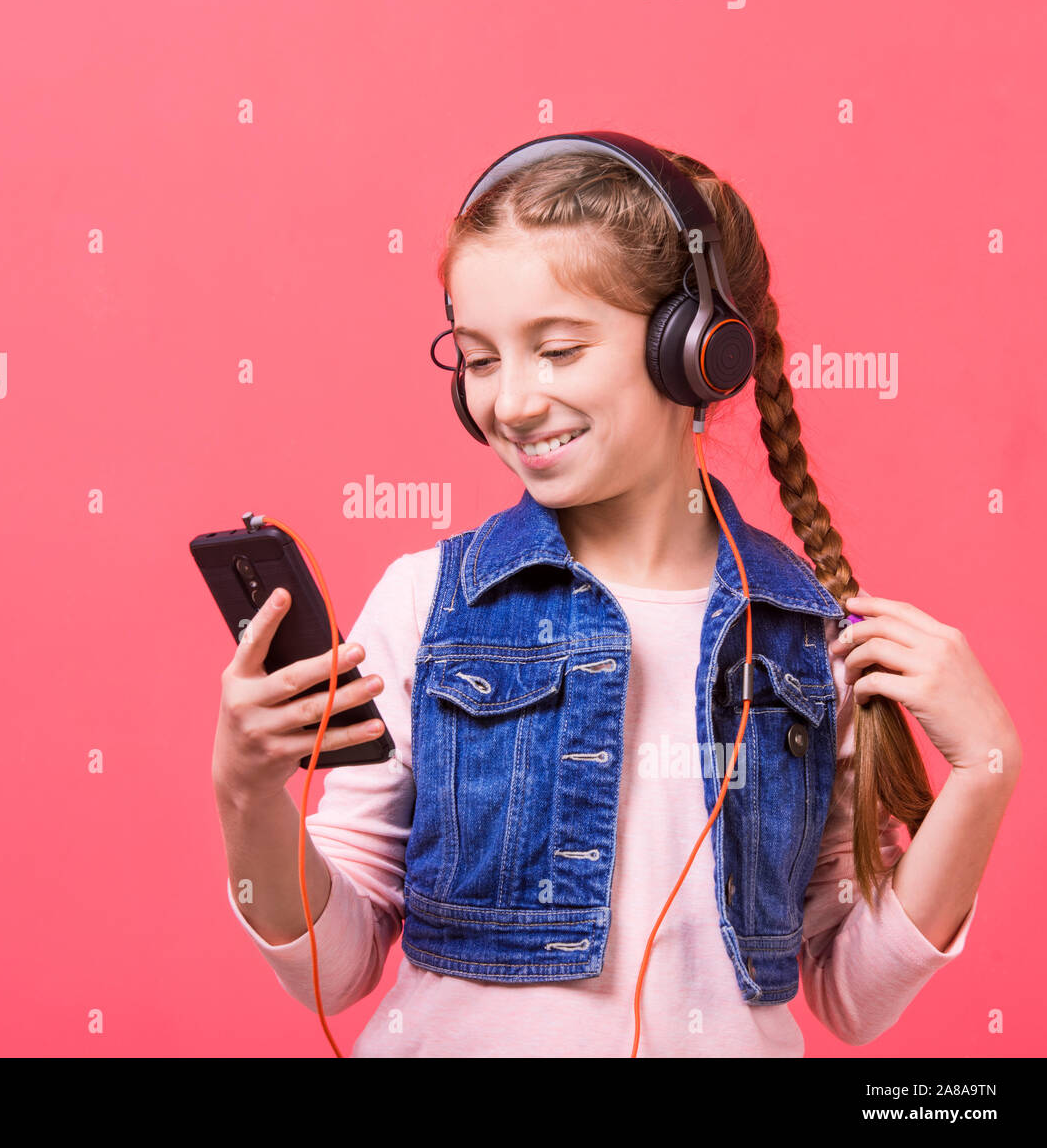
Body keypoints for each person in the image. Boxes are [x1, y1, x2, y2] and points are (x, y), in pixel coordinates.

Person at [211, 142, 1021, 1056]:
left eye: (557, 350)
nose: (511, 402)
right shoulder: (426, 604)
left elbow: (851, 996)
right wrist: (248, 799)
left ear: (697, 351)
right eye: (479, 360)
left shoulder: (807, 644)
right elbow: (339, 963)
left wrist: (986, 770)